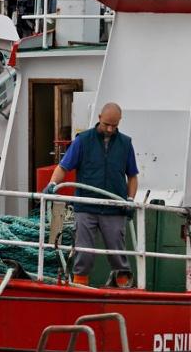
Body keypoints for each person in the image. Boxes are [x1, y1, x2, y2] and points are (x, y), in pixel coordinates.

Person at [45, 103, 139, 286]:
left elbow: (133, 176)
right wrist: (52, 184)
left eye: (114, 125)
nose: (110, 129)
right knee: (84, 252)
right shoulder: (83, 140)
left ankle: (123, 287)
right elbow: (64, 167)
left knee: (117, 253)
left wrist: (130, 199)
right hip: (86, 206)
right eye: (106, 124)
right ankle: (80, 285)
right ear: (99, 118)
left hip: (114, 207)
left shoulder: (126, 144)